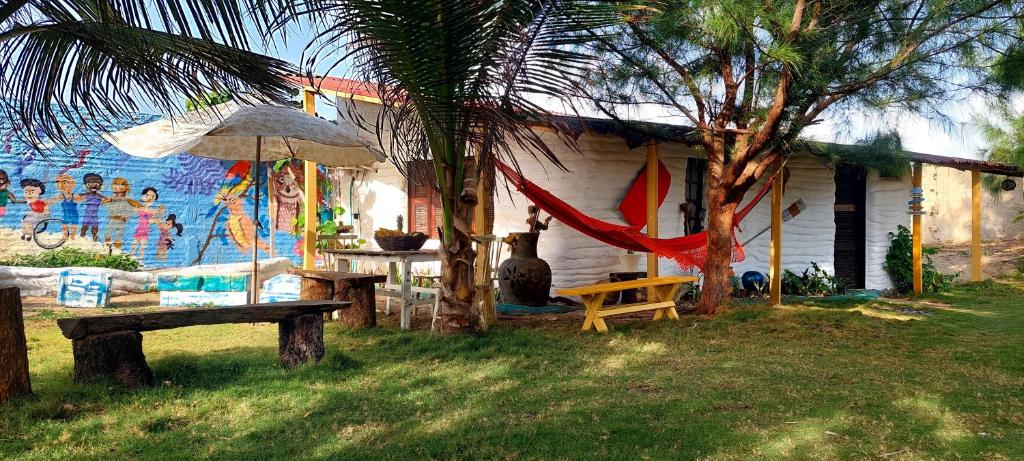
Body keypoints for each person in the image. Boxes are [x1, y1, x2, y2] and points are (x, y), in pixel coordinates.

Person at [103, 177, 139, 250]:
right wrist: (107, 201)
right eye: (115, 185)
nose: (116, 187)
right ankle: (108, 248)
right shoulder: (111, 198)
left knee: (118, 236)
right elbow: (103, 202)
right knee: (107, 234)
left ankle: (117, 250)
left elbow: (137, 205)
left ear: (125, 187)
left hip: (121, 220)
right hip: (112, 218)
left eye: (120, 185)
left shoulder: (128, 199)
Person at [129, 187, 164, 259]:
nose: (150, 198)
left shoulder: (153, 210)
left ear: (155, 199)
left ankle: (140, 260)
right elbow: (132, 210)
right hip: (139, 229)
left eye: (153, 196)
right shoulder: (140, 208)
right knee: (134, 245)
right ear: (142, 196)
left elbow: (153, 220)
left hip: (145, 230)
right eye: (147, 195)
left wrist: (159, 213)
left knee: (142, 246)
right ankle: (130, 257)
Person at [75, 173, 104, 241]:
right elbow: (78, 196)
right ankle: (81, 240)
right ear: (85, 185)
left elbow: (106, 200)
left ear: (100, 186)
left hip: (94, 216)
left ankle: (95, 242)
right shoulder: (86, 195)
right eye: (89, 184)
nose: (93, 186)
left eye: (96, 184)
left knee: (95, 229)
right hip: (87, 216)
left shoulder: (99, 196)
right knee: (84, 228)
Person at [50, 174, 79, 239]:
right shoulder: (61, 196)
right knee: (65, 229)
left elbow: (83, 199)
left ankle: (72, 240)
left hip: (74, 216)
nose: (66, 187)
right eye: (62, 184)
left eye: (67, 183)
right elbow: (52, 200)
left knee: (73, 232)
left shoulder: (74, 196)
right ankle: (67, 240)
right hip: (66, 216)